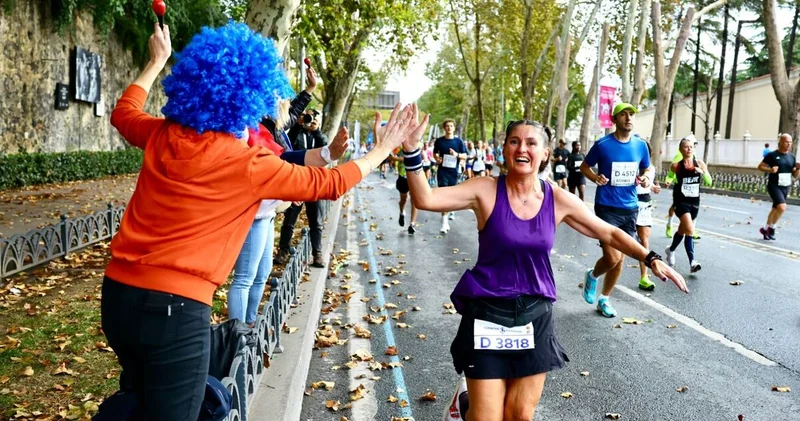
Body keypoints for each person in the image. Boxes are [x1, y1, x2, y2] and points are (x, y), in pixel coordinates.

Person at [102, 22, 421, 419]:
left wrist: (156, 61)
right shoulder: (248, 163)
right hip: (175, 311)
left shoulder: (162, 134)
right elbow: (332, 183)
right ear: (249, 97)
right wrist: (384, 148)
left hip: (117, 297)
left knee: (137, 401)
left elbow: (124, 113)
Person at [399, 110, 687, 421]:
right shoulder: (484, 189)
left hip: (534, 315)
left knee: (520, 415)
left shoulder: (558, 199)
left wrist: (651, 258)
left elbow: (609, 232)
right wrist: (412, 150)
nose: (522, 148)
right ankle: (465, 404)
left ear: (545, 153)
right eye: (514, 142)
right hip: (487, 314)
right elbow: (426, 199)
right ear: (505, 149)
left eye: (531, 143)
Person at [229, 65, 349, 327]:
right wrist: (326, 155)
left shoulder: (273, 126)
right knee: (245, 278)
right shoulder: (252, 128)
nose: (285, 100)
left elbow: (289, 130)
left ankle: (249, 326)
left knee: (260, 275)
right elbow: (282, 160)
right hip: (254, 213)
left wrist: (310, 90)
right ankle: (238, 335)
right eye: (279, 94)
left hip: (266, 212)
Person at [579, 103, 654, 317]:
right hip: (607, 207)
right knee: (612, 258)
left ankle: (604, 299)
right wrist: (596, 177)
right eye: (623, 114)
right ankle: (593, 276)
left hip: (630, 208)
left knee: (620, 259)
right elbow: (584, 167)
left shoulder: (640, 145)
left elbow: (646, 168)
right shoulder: (603, 145)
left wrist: (645, 178)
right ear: (614, 119)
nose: (628, 118)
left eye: (631, 114)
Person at [276, 109, 330, 268]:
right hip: (297, 181)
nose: (308, 120)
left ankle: (317, 254)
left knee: (316, 221)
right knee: (289, 219)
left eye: (311, 117)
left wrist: (317, 131)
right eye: (306, 117)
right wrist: (297, 125)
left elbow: (326, 151)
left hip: (314, 182)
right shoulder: (295, 132)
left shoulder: (318, 135)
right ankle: (283, 252)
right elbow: (287, 147)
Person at [665, 137, 709, 273]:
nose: (689, 149)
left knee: (682, 230)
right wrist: (668, 180)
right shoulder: (676, 165)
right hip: (680, 200)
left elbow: (709, 182)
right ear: (681, 149)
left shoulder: (699, 163)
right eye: (686, 147)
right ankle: (692, 262)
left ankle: (671, 250)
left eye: (691, 147)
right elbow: (670, 175)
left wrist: (702, 173)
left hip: (694, 201)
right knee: (690, 229)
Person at [758, 133, 800, 240]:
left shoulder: (792, 157)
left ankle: (765, 229)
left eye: (790, 142)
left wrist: (798, 168)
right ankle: (772, 228)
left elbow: (795, 175)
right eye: (786, 142)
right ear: (780, 142)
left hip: (785, 186)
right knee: (782, 207)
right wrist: (770, 170)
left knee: (775, 209)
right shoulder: (772, 155)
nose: (789, 144)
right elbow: (760, 167)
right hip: (774, 185)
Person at [634, 142, 662, 290]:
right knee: (622, 241)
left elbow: (647, 183)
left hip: (645, 205)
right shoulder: (630, 164)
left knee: (644, 241)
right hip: (628, 204)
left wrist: (653, 187)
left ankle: (644, 277)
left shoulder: (651, 168)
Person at [434, 119, 468, 233]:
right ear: (444, 128)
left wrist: (456, 154)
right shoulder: (439, 141)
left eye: (451, 126)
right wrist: (437, 159)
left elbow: (465, 156)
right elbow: (435, 153)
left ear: (454, 128)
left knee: (451, 195)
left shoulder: (458, 142)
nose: (449, 128)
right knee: (444, 195)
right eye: (447, 126)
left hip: (453, 172)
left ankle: (450, 210)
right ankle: (444, 222)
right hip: (442, 171)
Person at [389, 147, 419, 234]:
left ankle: (412, 224)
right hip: (403, 177)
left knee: (414, 201)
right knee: (403, 200)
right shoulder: (400, 148)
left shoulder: (417, 146)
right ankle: (402, 212)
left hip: (415, 177)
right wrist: (394, 158)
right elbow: (392, 158)